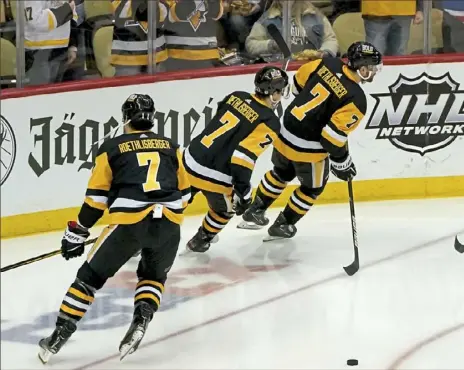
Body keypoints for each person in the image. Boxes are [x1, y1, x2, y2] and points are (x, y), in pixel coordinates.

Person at [38, 94, 191, 363]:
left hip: (128, 225)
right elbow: (186, 195)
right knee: (152, 277)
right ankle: (142, 319)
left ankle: (59, 335)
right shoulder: (171, 146)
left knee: (88, 278)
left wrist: (77, 232)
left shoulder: (111, 148)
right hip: (170, 223)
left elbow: (96, 201)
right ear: (151, 117)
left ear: (125, 118)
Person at [238, 41, 382, 240]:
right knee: (312, 188)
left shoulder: (328, 63)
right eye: (373, 68)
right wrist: (343, 161)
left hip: (284, 131)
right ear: (363, 69)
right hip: (308, 149)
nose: (375, 72)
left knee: (280, 173)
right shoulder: (357, 99)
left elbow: (298, 83)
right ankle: (284, 224)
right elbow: (331, 139)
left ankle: (255, 211)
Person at [182, 66, 289, 253]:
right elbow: (242, 159)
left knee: (172, 203)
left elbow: (220, 114)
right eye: (279, 91)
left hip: (191, 158)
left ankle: (141, 240)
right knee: (225, 210)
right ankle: (201, 239)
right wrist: (244, 194)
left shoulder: (236, 96)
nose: (280, 96)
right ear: (272, 93)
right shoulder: (269, 121)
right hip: (216, 175)